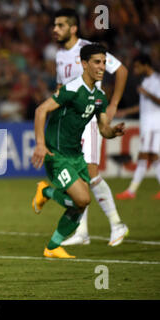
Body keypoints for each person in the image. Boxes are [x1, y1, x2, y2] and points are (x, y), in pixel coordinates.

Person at [31, 44, 125, 258]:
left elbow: (103, 129)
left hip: (76, 156)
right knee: (82, 199)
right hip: (57, 155)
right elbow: (41, 110)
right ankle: (46, 191)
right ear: (84, 64)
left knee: (81, 204)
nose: (102, 66)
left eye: (104, 62)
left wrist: (113, 131)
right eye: (97, 62)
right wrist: (40, 145)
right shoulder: (72, 89)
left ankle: (52, 247)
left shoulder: (100, 96)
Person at [52, 8, 129, 247]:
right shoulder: (59, 56)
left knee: (91, 173)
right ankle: (82, 232)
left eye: (60, 25)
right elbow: (60, 88)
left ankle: (117, 224)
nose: (55, 29)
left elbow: (122, 70)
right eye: (54, 25)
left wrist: (113, 104)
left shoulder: (89, 49)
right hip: (69, 124)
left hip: (88, 118)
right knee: (78, 177)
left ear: (73, 28)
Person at [116, 54, 160, 200]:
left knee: (144, 156)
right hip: (147, 124)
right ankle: (131, 191)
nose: (135, 69)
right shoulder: (146, 81)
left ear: (145, 65)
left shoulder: (156, 80)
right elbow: (142, 106)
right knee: (153, 157)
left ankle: (131, 191)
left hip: (154, 124)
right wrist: (125, 112)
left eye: (137, 66)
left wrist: (146, 93)